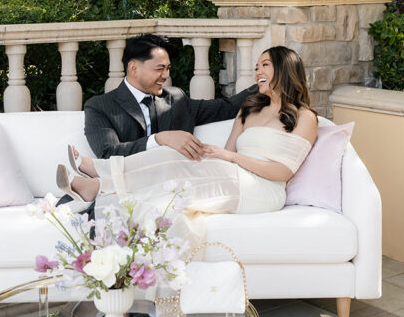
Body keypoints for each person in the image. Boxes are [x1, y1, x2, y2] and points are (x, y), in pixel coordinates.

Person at [59, 46, 317, 219]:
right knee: (176, 154)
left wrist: (231, 158)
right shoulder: (249, 109)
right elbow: (226, 151)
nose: (258, 71)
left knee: (180, 165)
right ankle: (99, 181)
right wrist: (214, 155)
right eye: (257, 66)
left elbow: (283, 172)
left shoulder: (305, 117)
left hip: (263, 191)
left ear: (285, 70)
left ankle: (99, 174)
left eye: (265, 65)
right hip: (232, 175)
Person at [84, 33, 255, 161]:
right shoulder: (100, 106)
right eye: (159, 68)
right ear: (133, 68)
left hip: (176, 189)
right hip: (127, 190)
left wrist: (268, 83)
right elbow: (109, 154)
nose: (166, 75)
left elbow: (227, 107)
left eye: (168, 68)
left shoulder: (176, 99)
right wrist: (160, 139)